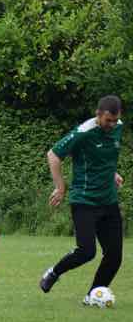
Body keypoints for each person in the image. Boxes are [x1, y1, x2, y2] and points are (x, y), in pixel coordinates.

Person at [40, 95, 124, 303]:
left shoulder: (118, 127)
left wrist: (112, 173)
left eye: (115, 120)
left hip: (109, 201)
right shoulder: (84, 132)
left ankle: (93, 296)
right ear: (98, 115)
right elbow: (53, 155)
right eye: (108, 120)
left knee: (114, 255)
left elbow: (105, 155)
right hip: (84, 201)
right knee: (87, 252)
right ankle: (54, 272)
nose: (112, 125)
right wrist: (60, 187)